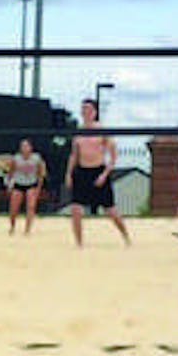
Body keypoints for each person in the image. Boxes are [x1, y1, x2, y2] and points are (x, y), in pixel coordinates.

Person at [65, 98, 130, 247]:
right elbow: (74, 155)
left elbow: (113, 155)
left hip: (98, 171)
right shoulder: (79, 132)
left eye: (88, 109)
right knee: (76, 209)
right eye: (83, 109)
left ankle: (126, 236)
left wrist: (105, 174)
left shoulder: (102, 130)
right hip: (81, 172)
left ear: (95, 112)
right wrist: (68, 174)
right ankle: (79, 244)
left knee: (110, 210)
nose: (85, 112)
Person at [7, 138, 46, 235]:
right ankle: (12, 226)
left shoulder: (36, 158)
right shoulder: (16, 158)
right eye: (22, 146)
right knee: (14, 208)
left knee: (31, 206)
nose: (24, 148)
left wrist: (39, 188)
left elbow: (41, 173)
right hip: (18, 183)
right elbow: (10, 173)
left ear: (31, 148)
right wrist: (9, 185)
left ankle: (27, 229)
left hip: (31, 184)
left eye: (26, 146)